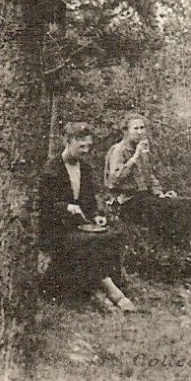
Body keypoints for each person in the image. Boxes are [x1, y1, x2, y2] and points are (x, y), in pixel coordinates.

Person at [39, 121, 135, 312]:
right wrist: (66, 207)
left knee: (111, 236)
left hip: (80, 225)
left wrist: (98, 216)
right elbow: (45, 205)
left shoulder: (86, 168)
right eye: (81, 146)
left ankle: (103, 289)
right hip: (56, 227)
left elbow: (90, 203)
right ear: (67, 142)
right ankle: (109, 291)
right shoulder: (52, 168)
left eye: (88, 146)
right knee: (84, 242)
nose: (85, 151)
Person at [104, 114, 191, 241]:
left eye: (142, 128)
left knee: (186, 203)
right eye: (136, 129)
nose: (140, 132)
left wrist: (159, 194)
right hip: (127, 200)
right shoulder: (119, 150)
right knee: (156, 208)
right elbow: (115, 179)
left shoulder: (141, 148)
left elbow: (149, 175)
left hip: (144, 197)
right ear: (126, 131)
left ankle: (184, 244)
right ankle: (162, 246)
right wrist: (135, 157)